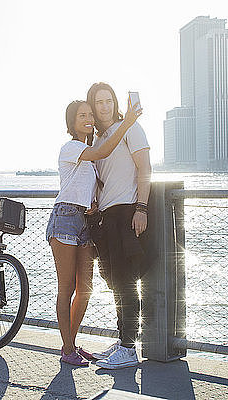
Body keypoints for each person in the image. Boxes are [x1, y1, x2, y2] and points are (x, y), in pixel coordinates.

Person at [46, 99, 141, 366]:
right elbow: (103, 152)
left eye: (90, 115)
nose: (88, 119)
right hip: (64, 219)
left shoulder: (88, 154)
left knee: (84, 290)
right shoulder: (72, 148)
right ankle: (67, 350)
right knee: (66, 288)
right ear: (72, 123)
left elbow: (90, 182)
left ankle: (71, 345)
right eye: (82, 116)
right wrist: (129, 123)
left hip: (86, 222)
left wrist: (95, 202)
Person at [86, 82, 151, 370]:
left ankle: (129, 347)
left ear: (115, 102)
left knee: (126, 282)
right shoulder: (98, 141)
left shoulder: (130, 127)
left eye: (108, 100)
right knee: (113, 281)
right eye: (98, 101)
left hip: (128, 212)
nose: (104, 106)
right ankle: (122, 338)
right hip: (107, 217)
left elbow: (145, 169)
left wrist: (142, 208)